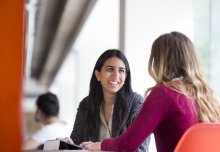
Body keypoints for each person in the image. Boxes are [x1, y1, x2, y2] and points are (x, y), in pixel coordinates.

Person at [80, 31, 220, 152]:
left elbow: (128, 144)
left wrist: (98, 145)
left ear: (159, 61)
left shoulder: (164, 93)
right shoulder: (205, 97)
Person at [60, 49, 150, 151]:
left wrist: (101, 146)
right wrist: (68, 144)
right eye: (109, 69)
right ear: (98, 75)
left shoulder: (136, 103)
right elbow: (77, 143)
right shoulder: (86, 105)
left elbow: (140, 149)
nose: (116, 76)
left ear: (125, 77)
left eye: (121, 71)